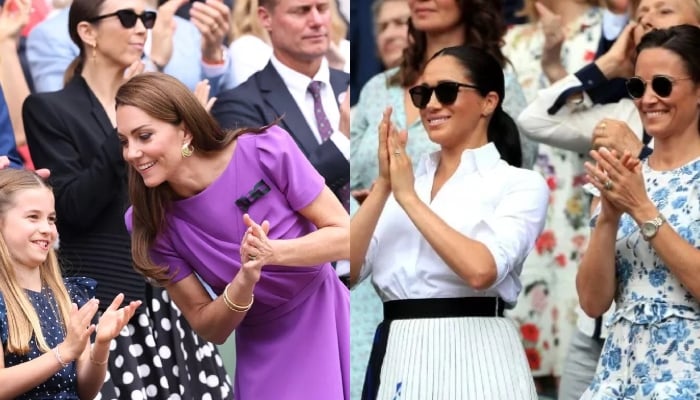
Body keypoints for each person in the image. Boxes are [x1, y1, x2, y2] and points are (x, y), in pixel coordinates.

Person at [22, 0, 232, 398]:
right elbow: (73, 209)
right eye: (128, 18)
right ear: (87, 32)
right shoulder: (49, 109)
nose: (141, 29)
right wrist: (129, 130)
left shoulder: (159, 113)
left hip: (170, 293)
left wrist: (186, 143)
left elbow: (184, 192)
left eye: (147, 19)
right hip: (105, 303)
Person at [115, 72, 350, 400]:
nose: (131, 153)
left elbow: (346, 235)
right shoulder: (148, 220)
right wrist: (243, 282)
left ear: (184, 131)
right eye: (124, 141)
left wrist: (272, 253)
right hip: (261, 348)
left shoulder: (266, 149)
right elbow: (209, 327)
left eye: (144, 136)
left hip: (326, 316)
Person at [350, 45, 549, 400]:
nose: (430, 105)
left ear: (488, 102)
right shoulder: (402, 184)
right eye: (422, 93)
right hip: (399, 351)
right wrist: (383, 187)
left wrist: (407, 197)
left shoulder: (518, 184)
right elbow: (349, 273)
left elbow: (480, 270)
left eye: (447, 91)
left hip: (479, 354)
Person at [577, 24, 700, 399]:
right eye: (637, 87)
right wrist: (609, 220)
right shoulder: (626, 173)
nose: (647, 99)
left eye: (662, 85)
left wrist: (641, 207)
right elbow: (593, 302)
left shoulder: (636, 189)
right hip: (619, 373)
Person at [0, 168, 140, 399]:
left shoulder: (68, 295)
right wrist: (63, 353)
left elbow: (86, 391)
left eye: (51, 219)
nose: (46, 229)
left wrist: (101, 345)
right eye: (33, 217)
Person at [211, 0, 351, 210]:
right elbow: (262, 196)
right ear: (266, 18)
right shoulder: (238, 105)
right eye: (301, 11)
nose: (317, 21)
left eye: (322, 8)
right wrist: (342, 142)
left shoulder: (351, 85)